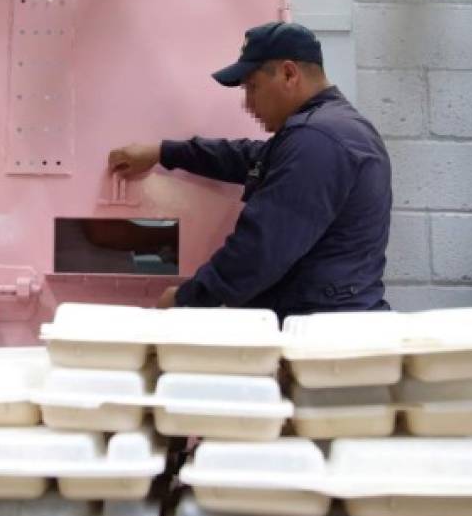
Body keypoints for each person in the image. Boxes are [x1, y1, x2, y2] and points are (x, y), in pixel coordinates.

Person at [108, 22, 392, 320]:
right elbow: (249, 158)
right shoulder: (328, 130)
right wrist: (163, 152)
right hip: (330, 321)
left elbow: (262, 248)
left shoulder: (316, 140)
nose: (247, 103)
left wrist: (188, 299)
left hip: (323, 339)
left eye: (252, 87)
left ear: (288, 74)